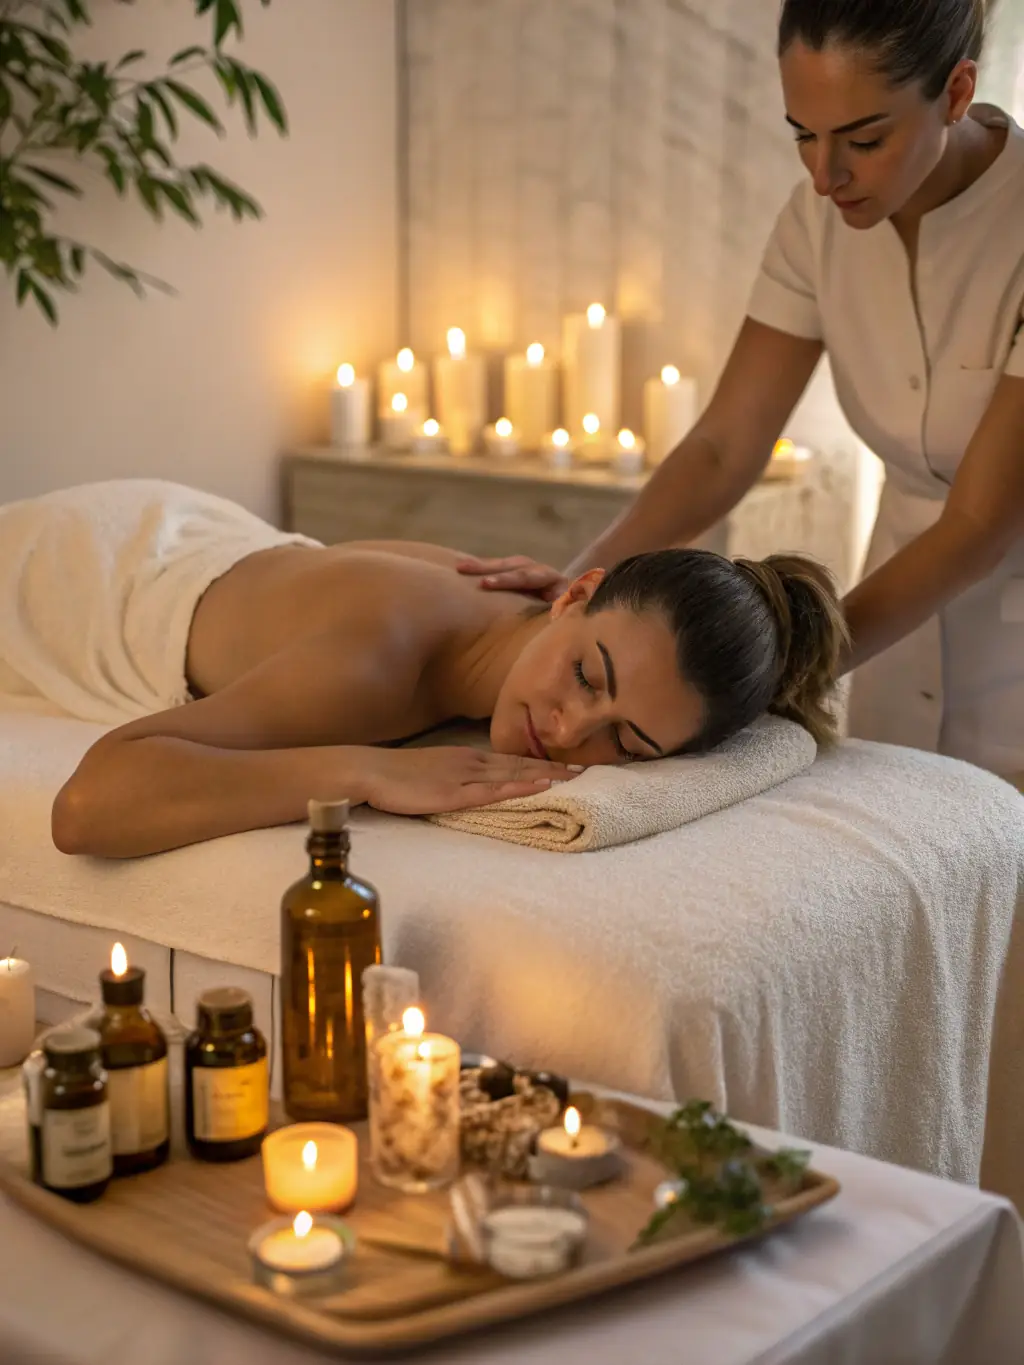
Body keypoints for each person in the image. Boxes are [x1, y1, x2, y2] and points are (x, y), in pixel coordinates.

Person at [459, 0, 1024, 783]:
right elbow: (724, 445)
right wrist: (574, 589)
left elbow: (979, 523)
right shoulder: (815, 223)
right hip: (896, 638)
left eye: (865, 140)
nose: (826, 177)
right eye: (804, 135)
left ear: (957, 93)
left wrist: (772, 677)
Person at [34, 481, 846, 859]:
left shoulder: (520, 610)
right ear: (578, 593)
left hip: (202, 530)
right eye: (588, 677)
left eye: (625, 744)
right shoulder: (369, 666)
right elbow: (88, 806)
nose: (567, 730)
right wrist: (369, 771)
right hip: (81, 571)